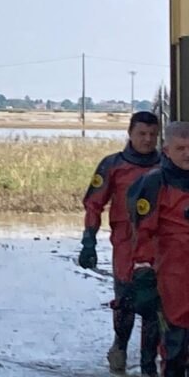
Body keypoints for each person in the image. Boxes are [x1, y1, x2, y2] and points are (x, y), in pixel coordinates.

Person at [82, 110, 161, 375]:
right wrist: (88, 240)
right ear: (130, 133)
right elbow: (94, 204)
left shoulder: (166, 167)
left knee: (153, 306)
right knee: (125, 301)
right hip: (125, 245)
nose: (147, 139)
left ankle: (149, 364)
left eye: (152, 134)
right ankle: (120, 346)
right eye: (142, 134)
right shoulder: (112, 165)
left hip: (158, 246)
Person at [130, 120, 189, 377]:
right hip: (172, 275)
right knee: (175, 345)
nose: (188, 154)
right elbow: (143, 233)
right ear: (166, 151)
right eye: (181, 148)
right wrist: (143, 275)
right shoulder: (155, 183)